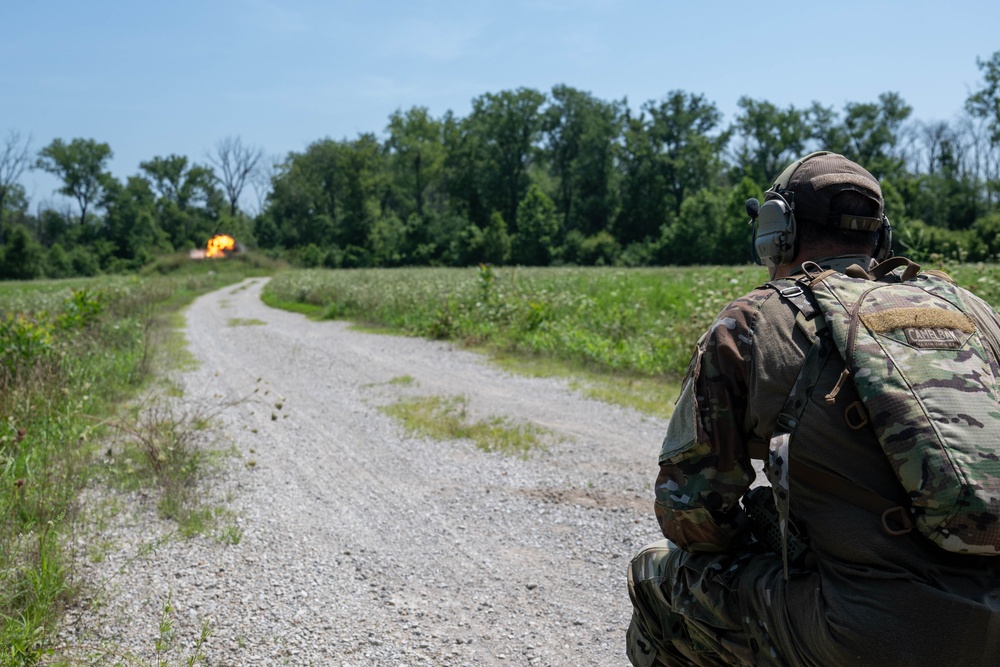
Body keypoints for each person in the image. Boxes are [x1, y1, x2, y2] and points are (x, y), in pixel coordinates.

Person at [625, 151, 1000, 667]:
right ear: (880, 237)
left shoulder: (753, 322)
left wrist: (766, 542)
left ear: (776, 228)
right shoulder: (974, 311)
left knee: (656, 576)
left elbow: (691, 515)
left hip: (866, 638)